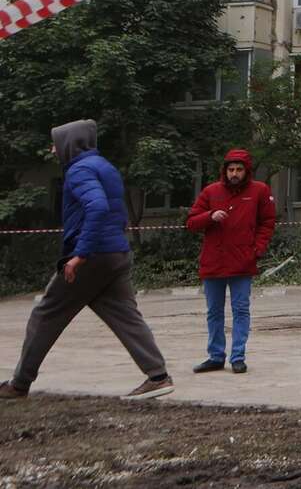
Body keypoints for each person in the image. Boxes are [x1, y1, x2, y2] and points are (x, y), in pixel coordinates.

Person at [3, 120, 174, 400]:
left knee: (45, 315)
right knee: (126, 317)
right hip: (116, 253)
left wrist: (79, 255)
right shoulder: (104, 166)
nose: (52, 148)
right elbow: (114, 211)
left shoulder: (79, 170)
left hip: (92, 257)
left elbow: (97, 207)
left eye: (56, 143)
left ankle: (19, 384)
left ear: (69, 143)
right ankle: (158, 377)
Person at [185, 147, 276, 374]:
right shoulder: (210, 192)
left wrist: (257, 249)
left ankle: (238, 356)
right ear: (224, 171)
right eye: (231, 169)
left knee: (241, 310)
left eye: (239, 169)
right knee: (214, 312)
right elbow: (191, 222)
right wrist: (210, 216)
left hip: (242, 262)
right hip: (213, 261)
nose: (234, 173)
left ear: (247, 171)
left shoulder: (259, 191)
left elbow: (267, 222)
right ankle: (215, 356)